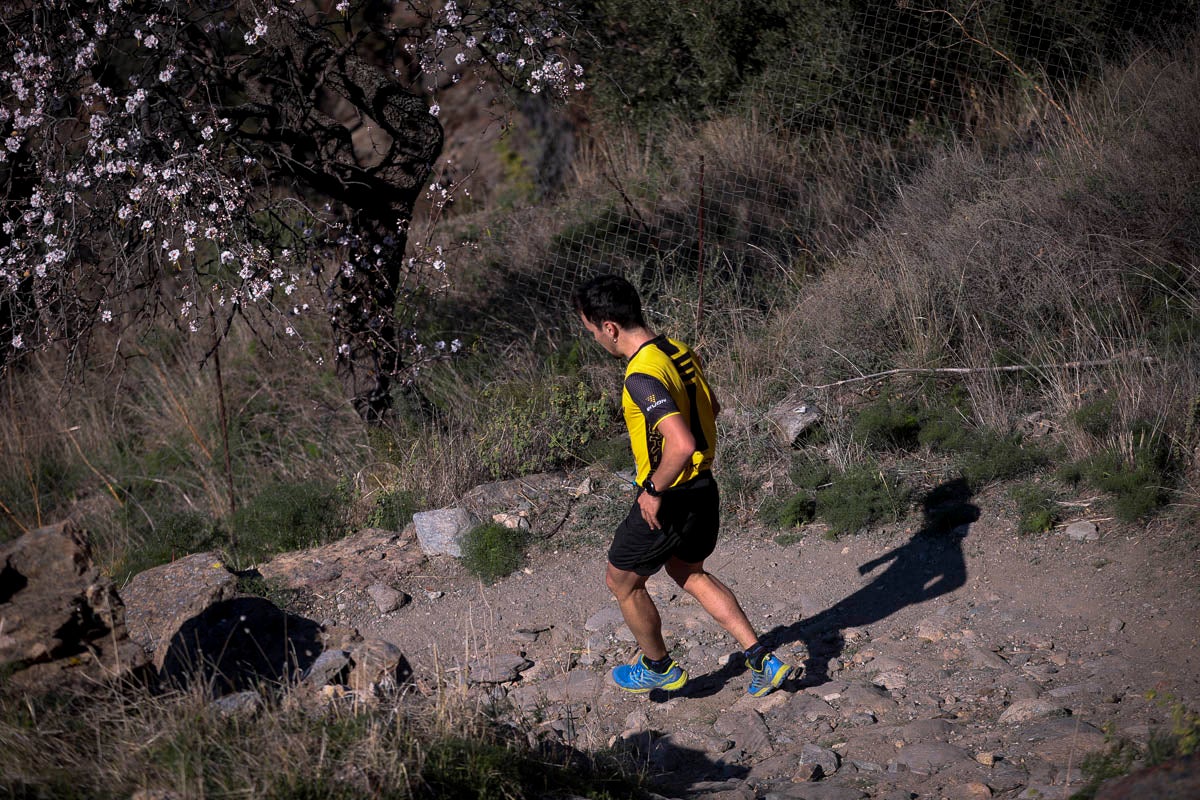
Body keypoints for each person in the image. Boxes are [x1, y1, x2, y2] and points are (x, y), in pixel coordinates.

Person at [573, 274, 793, 697]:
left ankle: (658, 667)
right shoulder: (678, 350)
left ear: (610, 328)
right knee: (687, 571)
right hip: (704, 489)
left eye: (592, 331)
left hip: (670, 496)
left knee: (621, 582)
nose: (595, 339)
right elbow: (711, 406)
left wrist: (653, 490)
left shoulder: (640, 375)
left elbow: (682, 442)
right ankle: (762, 658)